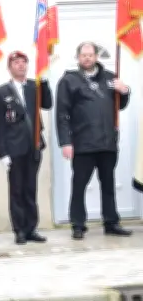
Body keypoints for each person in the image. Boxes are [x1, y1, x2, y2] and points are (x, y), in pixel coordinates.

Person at [56, 41, 132, 240]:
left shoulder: (110, 78)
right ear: (78, 58)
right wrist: (65, 142)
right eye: (84, 55)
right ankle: (78, 225)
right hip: (83, 144)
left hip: (107, 143)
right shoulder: (69, 81)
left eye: (91, 55)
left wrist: (124, 91)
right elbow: (62, 114)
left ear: (96, 56)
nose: (87, 58)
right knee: (79, 185)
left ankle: (111, 223)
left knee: (108, 185)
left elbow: (120, 105)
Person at [0, 51, 52, 245]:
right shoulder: (1, 92)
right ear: (9, 68)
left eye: (24, 62)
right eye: (16, 62)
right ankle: (19, 230)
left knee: (31, 189)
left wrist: (45, 82)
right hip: (14, 148)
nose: (21, 65)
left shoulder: (35, 86)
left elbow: (47, 104)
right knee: (16, 190)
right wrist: (2, 153)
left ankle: (31, 228)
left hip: (34, 145)